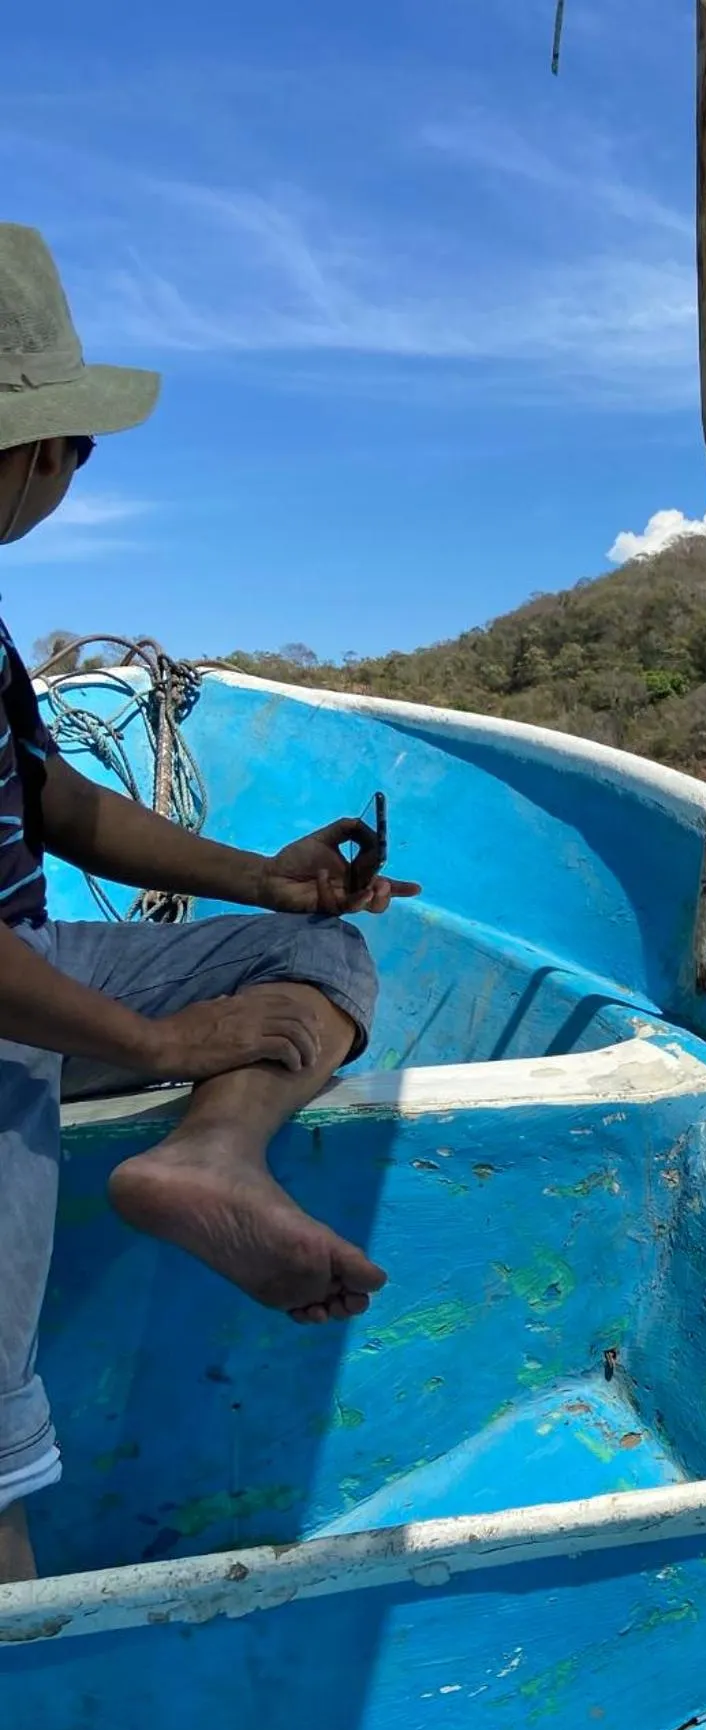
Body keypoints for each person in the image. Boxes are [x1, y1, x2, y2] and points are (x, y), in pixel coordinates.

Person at [0, 224, 419, 1584]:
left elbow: (55, 804)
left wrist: (262, 881)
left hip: (26, 958)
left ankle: (210, 1159)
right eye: (74, 443)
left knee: (318, 946)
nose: (71, 473)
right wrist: (170, 1045)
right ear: (32, 448)